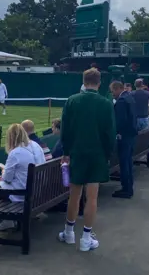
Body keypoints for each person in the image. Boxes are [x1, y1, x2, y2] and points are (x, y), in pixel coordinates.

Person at [58, 68, 115, 251]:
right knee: (92, 197)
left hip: (77, 153)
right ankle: (86, 238)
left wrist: (66, 152)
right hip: (97, 155)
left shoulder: (72, 101)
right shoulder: (106, 104)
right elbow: (110, 134)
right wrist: (107, 154)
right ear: (99, 83)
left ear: (84, 81)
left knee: (74, 195)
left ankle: (68, 232)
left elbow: (65, 131)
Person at [0, 123, 38, 231]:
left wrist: (3, 171)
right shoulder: (28, 151)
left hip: (20, 192)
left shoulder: (15, 153)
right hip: (27, 190)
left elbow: (7, 179)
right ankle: (6, 221)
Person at [110, 80, 137, 199]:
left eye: (112, 92)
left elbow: (120, 121)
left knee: (124, 162)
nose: (112, 94)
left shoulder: (121, 101)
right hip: (131, 135)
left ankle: (126, 188)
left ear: (117, 89)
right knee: (128, 162)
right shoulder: (129, 98)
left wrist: (116, 133)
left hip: (124, 136)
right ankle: (128, 186)